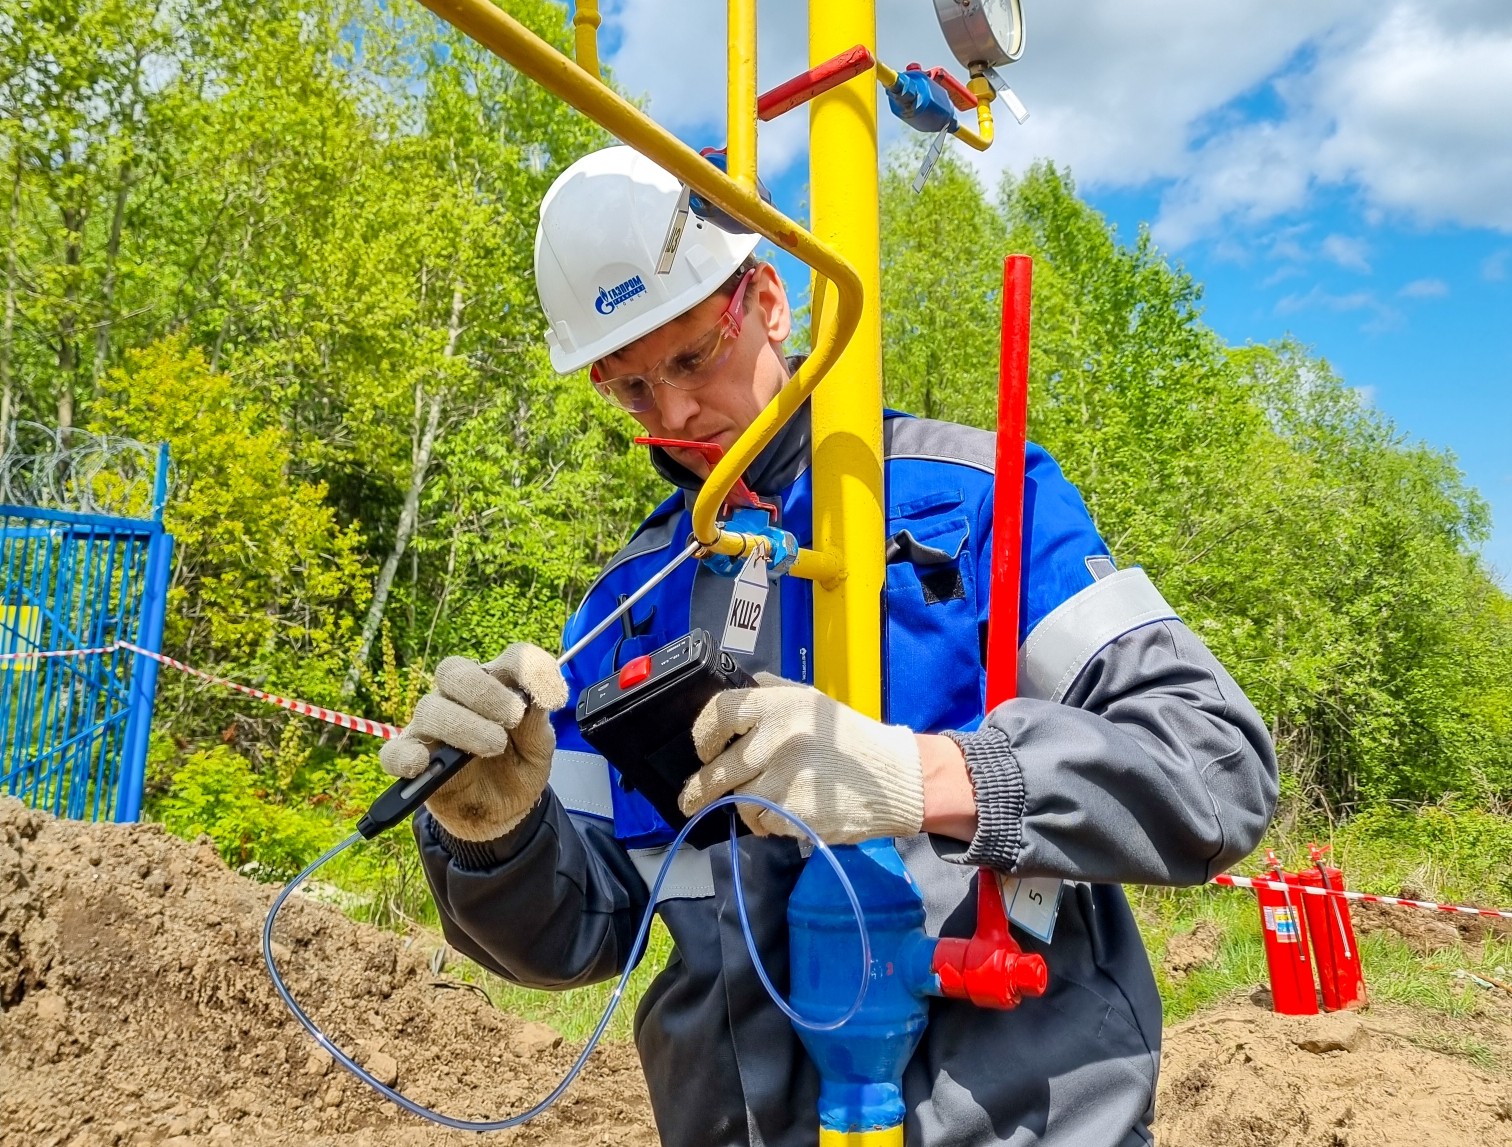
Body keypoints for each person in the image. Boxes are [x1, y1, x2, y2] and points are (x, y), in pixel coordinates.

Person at [380, 145, 1278, 1147]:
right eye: (628, 388)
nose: (672, 414)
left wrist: (923, 774)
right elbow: (582, 930)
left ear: (769, 300)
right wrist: (494, 834)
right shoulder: (632, 601)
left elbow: (1217, 766)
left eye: (690, 358)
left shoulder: (976, 503)